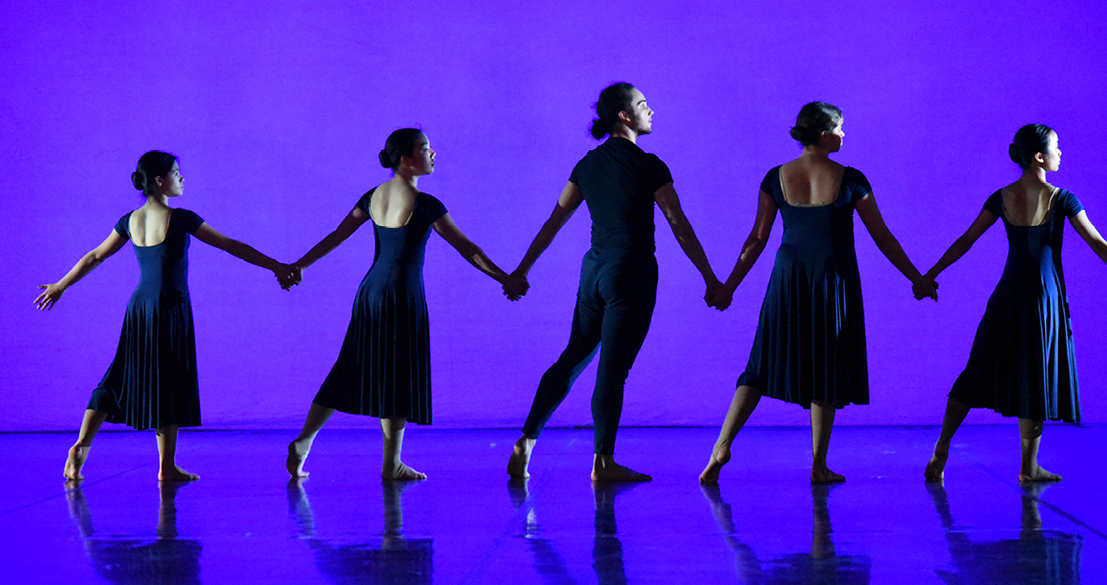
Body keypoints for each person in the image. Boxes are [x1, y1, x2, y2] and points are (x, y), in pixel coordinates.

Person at [698, 102, 933, 485]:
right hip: (832, 279)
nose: (844, 135)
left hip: (787, 278)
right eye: (840, 128)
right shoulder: (851, 178)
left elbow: (757, 239)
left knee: (760, 364)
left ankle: (721, 447)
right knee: (826, 366)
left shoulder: (777, 176)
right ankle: (818, 464)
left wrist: (728, 286)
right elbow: (882, 237)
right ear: (824, 135)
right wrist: (916, 278)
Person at [921, 124, 1107, 483]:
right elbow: (1099, 244)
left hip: (1006, 297)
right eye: (1057, 148)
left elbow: (966, 240)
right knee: (1035, 377)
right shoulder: (1062, 198)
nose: (1061, 153)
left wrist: (930, 275)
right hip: (1042, 301)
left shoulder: (1002, 197)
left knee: (976, 372)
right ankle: (1028, 467)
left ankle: (942, 449)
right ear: (1038, 156)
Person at [506, 83, 720, 483]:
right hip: (631, 273)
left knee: (573, 356)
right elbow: (679, 224)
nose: (650, 110)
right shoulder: (648, 165)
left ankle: (526, 440)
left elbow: (553, 222)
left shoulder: (586, 166)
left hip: (594, 273)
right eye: (643, 105)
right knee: (612, 371)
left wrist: (523, 270)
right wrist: (711, 279)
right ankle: (603, 462)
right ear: (624, 116)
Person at [38, 151, 296, 482]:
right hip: (170, 307)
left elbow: (93, 257)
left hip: (140, 307)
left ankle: (82, 448)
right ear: (160, 180)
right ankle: (166, 466)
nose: (182, 178)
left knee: (118, 376)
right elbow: (232, 245)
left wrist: (62, 285)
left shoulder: (130, 220)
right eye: (176, 172)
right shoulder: (182, 218)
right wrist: (277, 266)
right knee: (169, 380)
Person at [286, 128, 525, 480]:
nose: (433, 154)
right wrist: (506, 277)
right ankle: (391, 462)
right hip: (402, 295)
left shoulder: (372, 196)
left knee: (348, 367)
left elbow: (336, 236)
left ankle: (305, 441)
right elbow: (468, 249)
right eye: (426, 148)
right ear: (406, 159)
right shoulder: (426, 204)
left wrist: (301, 264)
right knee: (396, 375)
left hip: (370, 293)